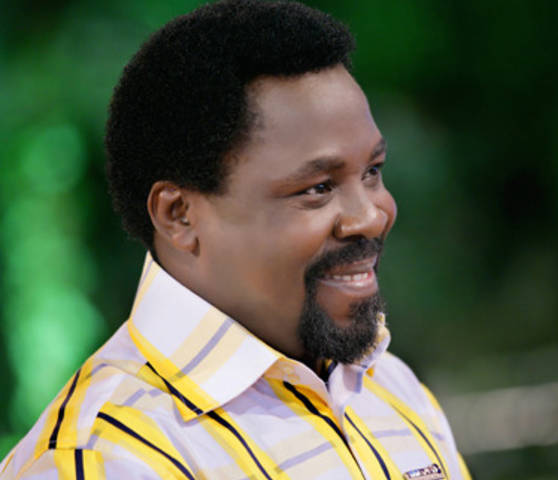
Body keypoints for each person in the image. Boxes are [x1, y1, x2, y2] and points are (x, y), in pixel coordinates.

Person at [1, 1, 471, 478]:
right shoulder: (103, 457)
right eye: (318, 188)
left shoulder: (391, 387)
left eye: (372, 171)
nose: (371, 215)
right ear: (179, 215)